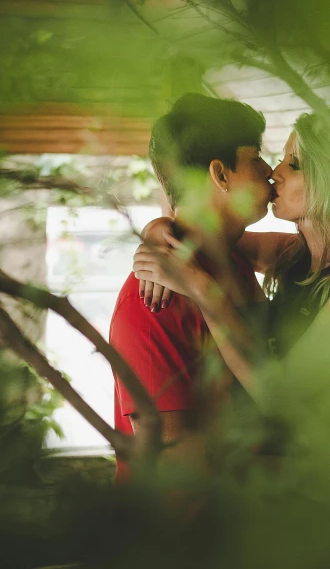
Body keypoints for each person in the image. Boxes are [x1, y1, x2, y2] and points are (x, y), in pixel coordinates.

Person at [133, 108, 330, 563]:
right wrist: (155, 232)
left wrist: (204, 292)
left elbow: (281, 396)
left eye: (294, 162)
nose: (276, 173)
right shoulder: (295, 256)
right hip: (289, 506)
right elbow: (204, 238)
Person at [109, 93, 272, 483]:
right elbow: (176, 473)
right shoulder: (152, 300)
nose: (270, 170)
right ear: (221, 175)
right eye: (256, 157)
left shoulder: (233, 263)